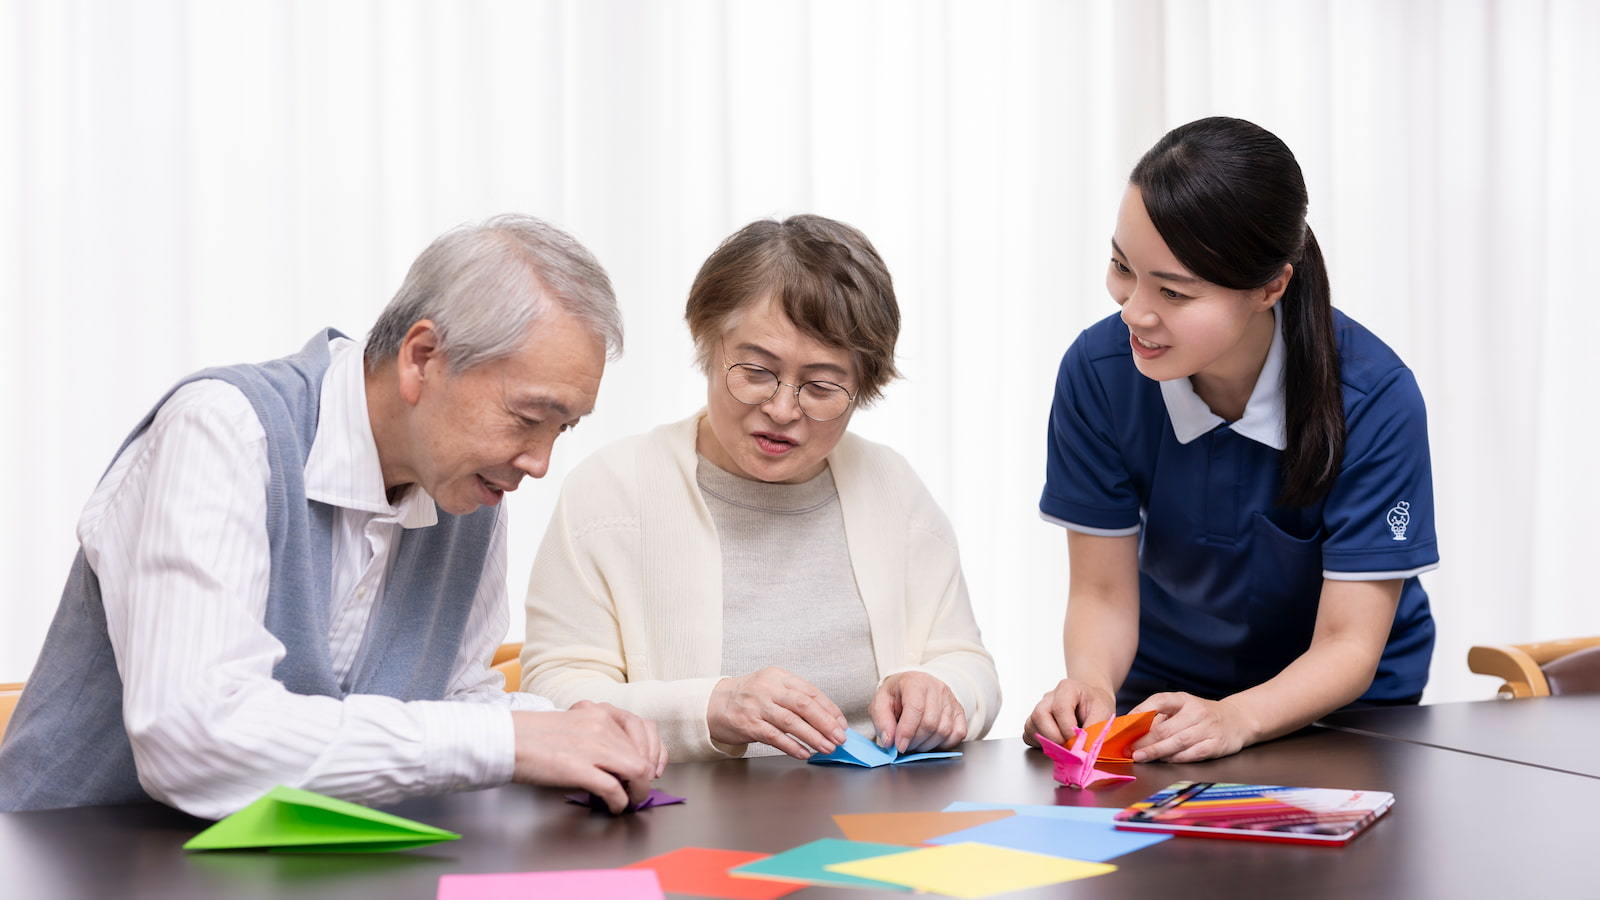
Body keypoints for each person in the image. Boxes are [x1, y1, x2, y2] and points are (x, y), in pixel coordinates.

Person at [0, 215, 665, 817]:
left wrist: (571, 727)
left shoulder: (467, 488)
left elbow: (452, 709)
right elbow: (196, 736)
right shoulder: (224, 432)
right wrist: (512, 738)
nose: (540, 462)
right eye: (527, 418)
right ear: (423, 358)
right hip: (80, 870)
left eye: (563, 429)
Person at [1027, 117, 1439, 763]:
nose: (1135, 310)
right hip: (1166, 701)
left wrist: (1238, 718)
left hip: (1347, 717)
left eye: (1173, 291)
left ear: (1271, 286)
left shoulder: (1373, 397)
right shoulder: (1100, 371)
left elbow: (1348, 643)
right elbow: (1102, 591)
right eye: (1121, 267)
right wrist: (1091, 685)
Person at [521, 215, 999, 762]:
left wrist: (942, 692)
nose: (782, 409)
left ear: (863, 385)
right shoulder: (612, 493)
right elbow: (553, 696)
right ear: (709, 344)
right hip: (685, 826)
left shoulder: (892, 489)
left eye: (821, 386)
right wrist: (710, 707)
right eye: (756, 371)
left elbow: (970, 665)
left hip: (875, 823)